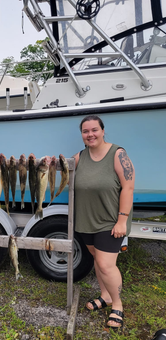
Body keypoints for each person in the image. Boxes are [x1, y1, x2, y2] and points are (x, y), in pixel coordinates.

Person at [74, 115, 134, 329]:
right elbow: (59, 168)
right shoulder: (80, 157)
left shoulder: (117, 154)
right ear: (81, 135)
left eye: (94, 130)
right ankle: (105, 296)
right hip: (86, 219)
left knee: (106, 265)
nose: (90, 134)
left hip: (110, 220)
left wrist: (122, 220)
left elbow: (128, 187)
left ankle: (117, 305)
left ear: (102, 131)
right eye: (85, 131)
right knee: (97, 259)